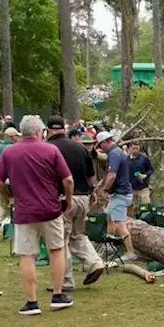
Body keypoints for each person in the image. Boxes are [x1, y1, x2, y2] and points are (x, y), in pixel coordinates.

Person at [0, 115, 74, 315]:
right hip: (50, 209)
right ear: (39, 132)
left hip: (24, 210)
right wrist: (69, 200)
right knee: (56, 250)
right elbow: (68, 179)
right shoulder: (51, 150)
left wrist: (8, 195)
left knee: (26, 255)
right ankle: (57, 295)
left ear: (22, 132)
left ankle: (31, 302)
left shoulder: (9, 152)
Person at [45, 115, 105, 290]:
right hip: (84, 197)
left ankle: (65, 280)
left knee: (60, 240)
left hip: (63, 199)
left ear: (48, 130)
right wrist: (92, 192)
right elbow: (90, 175)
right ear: (64, 128)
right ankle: (95, 262)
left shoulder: (47, 148)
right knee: (77, 236)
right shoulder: (80, 148)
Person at [95, 131, 139, 260]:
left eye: (100, 145)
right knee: (109, 218)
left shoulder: (114, 154)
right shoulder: (118, 152)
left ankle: (131, 252)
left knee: (119, 224)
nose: (100, 148)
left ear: (105, 142)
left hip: (120, 193)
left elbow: (112, 175)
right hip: (120, 193)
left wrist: (104, 189)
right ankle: (109, 247)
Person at [0, 126, 19, 239]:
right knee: (15, 204)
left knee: (1, 204)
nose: (17, 138)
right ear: (12, 137)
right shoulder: (15, 148)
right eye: (16, 136)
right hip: (13, 182)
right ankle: (12, 228)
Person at [127, 141, 156, 210]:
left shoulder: (144, 158)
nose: (135, 150)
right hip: (131, 188)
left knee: (145, 207)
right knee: (131, 208)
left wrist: (145, 175)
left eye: (137, 149)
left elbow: (151, 170)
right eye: (134, 148)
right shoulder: (126, 159)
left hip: (143, 188)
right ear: (129, 148)